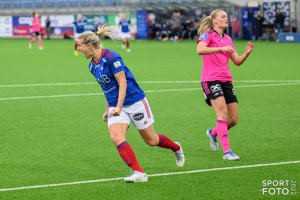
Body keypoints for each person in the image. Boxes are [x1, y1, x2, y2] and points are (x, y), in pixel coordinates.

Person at [75, 24, 185, 183]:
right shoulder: (92, 66)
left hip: (134, 100)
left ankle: (176, 147)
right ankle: (139, 172)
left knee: (151, 140)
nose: (78, 49)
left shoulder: (112, 58)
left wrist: (119, 106)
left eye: (80, 45)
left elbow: (122, 83)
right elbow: (107, 88)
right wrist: (108, 109)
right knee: (116, 137)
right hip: (115, 104)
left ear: (90, 45)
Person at [196, 9, 255, 161]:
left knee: (234, 119)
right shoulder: (208, 35)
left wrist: (246, 53)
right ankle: (227, 152)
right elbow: (200, 49)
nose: (226, 19)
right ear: (215, 21)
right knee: (222, 113)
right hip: (210, 79)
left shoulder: (228, 39)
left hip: (226, 80)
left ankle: (213, 133)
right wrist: (220, 48)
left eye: (226, 17)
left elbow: (237, 61)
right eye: (223, 17)